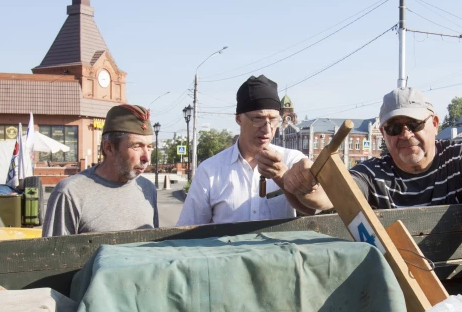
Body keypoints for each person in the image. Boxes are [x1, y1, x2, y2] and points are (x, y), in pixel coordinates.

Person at [283, 87, 462, 290]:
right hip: (401, 295)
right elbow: (329, 197)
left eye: (414, 124)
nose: (406, 134)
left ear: (434, 123)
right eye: (394, 128)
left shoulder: (461, 159)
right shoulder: (373, 174)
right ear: (384, 134)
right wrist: (305, 181)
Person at [176, 75, 314, 226]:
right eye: (258, 119)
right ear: (239, 119)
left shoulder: (292, 160)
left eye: (274, 119)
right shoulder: (210, 171)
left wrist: (282, 177)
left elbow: (318, 206)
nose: (267, 129)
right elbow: (187, 229)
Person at [43, 104, 159, 236]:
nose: (146, 157)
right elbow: (54, 254)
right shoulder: (71, 193)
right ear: (109, 148)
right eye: (137, 146)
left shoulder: (148, 189)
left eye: (149, 147)